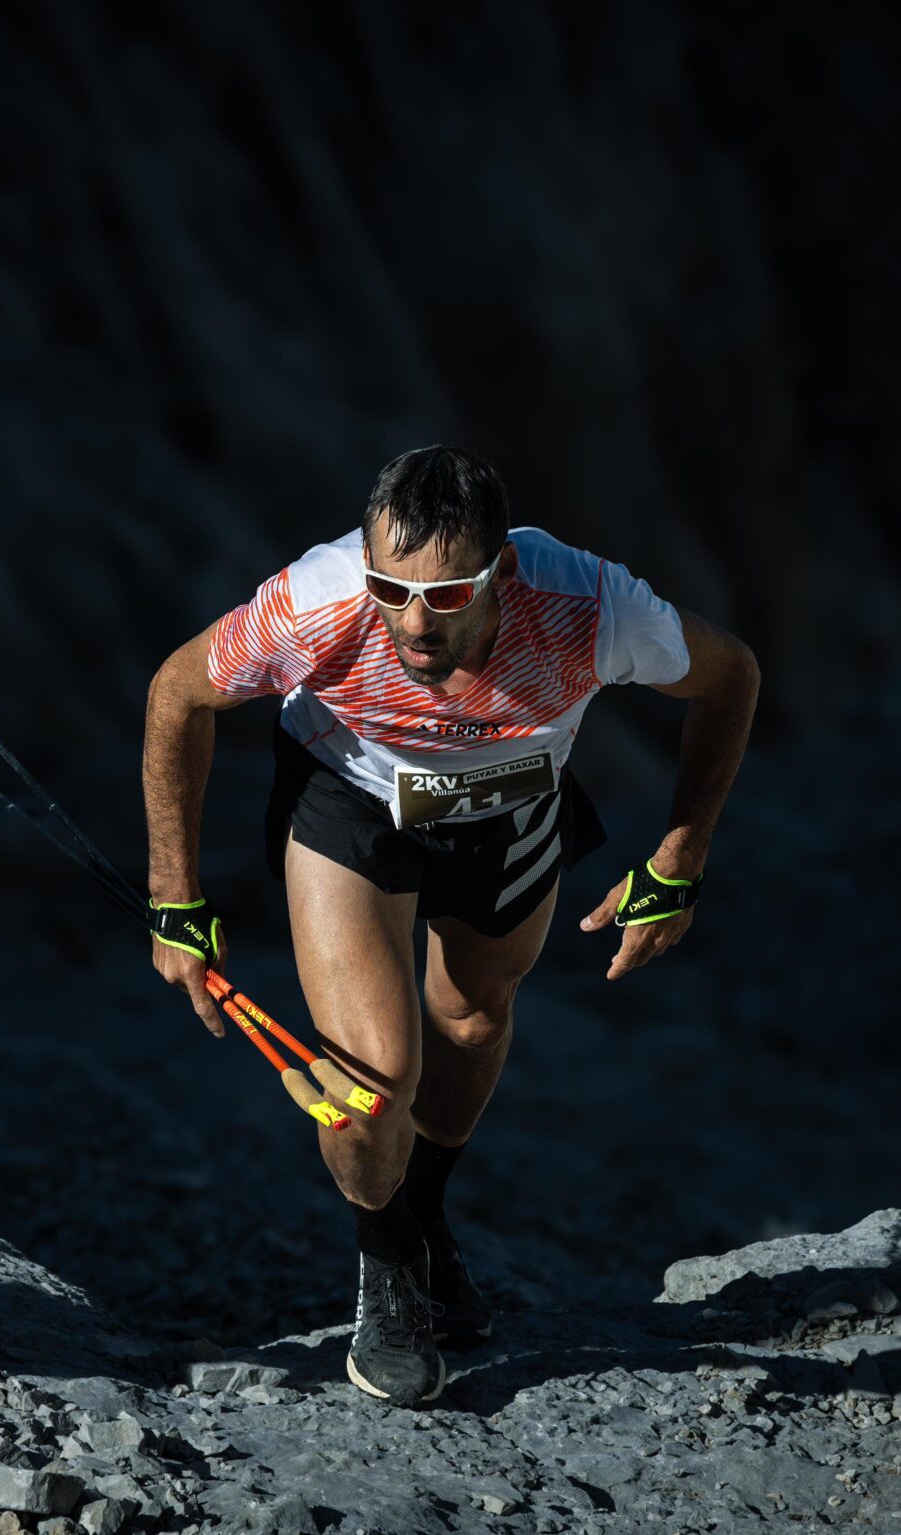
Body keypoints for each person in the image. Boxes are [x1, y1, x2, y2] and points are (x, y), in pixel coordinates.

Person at [141, 445, 760, 1405]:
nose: (413, 620)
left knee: (472, 1021)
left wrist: (680, 858)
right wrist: (174, 897)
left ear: (501, 568)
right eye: (391, 588)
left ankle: (422, 1213)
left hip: (511, 805)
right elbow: (179, 691)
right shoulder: (317, 601)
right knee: (370, 1087)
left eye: (446, 594)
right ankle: (388, 1265)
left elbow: (731, 676)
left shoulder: (589, 604)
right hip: (350, 802)